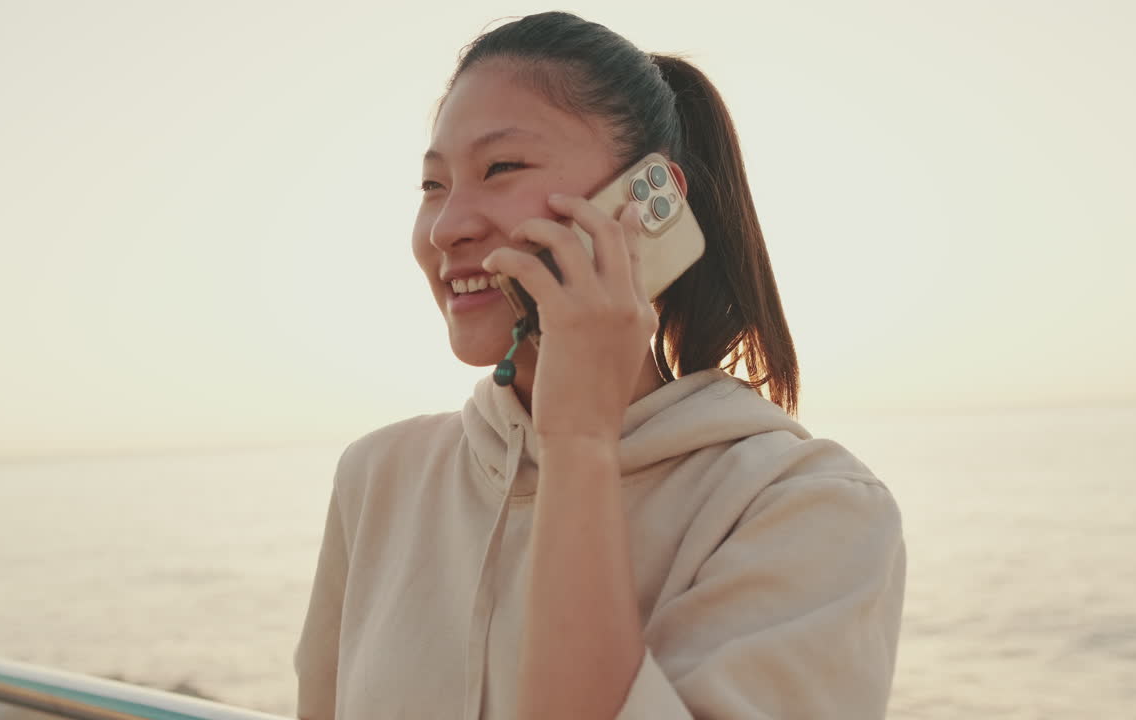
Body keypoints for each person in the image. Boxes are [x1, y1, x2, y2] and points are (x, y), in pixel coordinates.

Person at [293, 11, 905, 720]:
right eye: (432, 186)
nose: (447, 225)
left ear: (651, 203)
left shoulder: (808, 507)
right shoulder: (379, 478)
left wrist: (579, 439)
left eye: (501, 168)